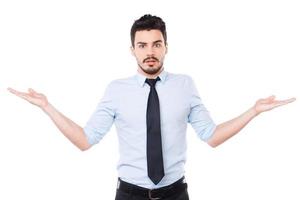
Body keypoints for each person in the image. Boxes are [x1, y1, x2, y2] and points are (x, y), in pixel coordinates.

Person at [8, 14, 295, 200]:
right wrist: (47, 107)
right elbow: (85, 140)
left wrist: (253, 111)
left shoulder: (185, 85)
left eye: (156, 44)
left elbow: (212, 136)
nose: (150, 52)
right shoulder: (116, 90)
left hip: (175, 193)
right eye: (142, 45)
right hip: (129, 194)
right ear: (132, 49)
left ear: (166, 47)